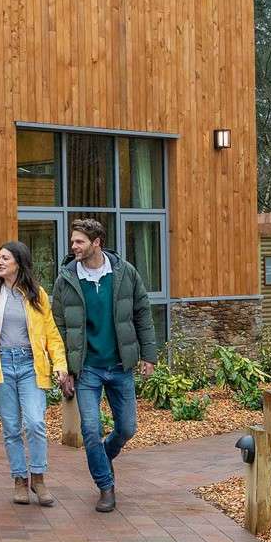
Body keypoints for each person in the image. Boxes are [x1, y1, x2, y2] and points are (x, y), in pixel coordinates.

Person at [51, 219, 157, 513]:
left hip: (120, 364)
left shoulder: (125, 274)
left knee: (126, 428)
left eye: (79, 242)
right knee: (90, 429)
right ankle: (105, 486)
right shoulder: (66, 279)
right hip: (86, 369)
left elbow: (142, 314)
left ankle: (105, 456)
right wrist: (63, 369)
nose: (73, 247)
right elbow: (57, 326)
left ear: (96, 242)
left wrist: (149, 355)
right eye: (73, 242)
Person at [0, 241, 67, 507]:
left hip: (29, 365)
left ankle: (39, 477)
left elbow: (51, 333)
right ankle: (19, 481)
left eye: (5, 258)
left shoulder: (37, 294)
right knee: (11, 427)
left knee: (35, 422)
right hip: (0, 366)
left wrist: (59, 364)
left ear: (19, 263)